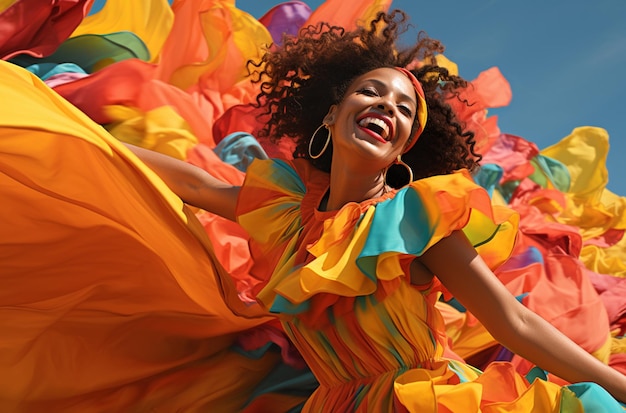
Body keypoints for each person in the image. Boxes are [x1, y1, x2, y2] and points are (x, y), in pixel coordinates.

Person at [0, 7, 624, 413]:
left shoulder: (417, 217)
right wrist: (70, 136)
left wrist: (619, 389)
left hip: (430, 402)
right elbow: (187, 181)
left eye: (405, 108)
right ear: (332, 113)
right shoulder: (282, 215)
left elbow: (515, 325)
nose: (387, 107)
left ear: (407, 144)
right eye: (371, 92)